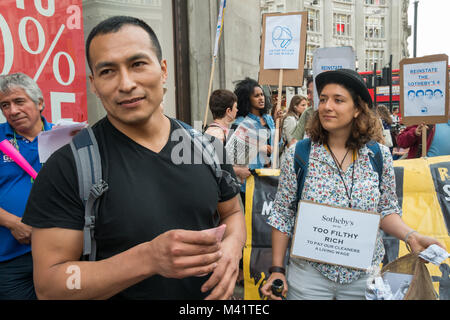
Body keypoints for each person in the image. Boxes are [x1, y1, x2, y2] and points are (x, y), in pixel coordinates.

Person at [21, 16, 246, 300]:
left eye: (138, 64)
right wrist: (148, 259)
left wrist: (233, 246)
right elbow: (50, 286)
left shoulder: (205, 147)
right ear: (93, 83)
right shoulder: (69, 166)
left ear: (163, 70)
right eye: (108, 71)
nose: (126, 84)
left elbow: (233, 212)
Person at [260, 68, 445, 300]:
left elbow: (386, 210)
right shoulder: (299, 154)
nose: (327, 106)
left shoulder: (378, 155)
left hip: (363, 278)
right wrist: (277, 270)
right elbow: (283, 215)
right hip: (309, 278)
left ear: (357, 109)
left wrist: (411, 236)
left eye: (338, 100)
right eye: (324, 99)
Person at [0, 72, 54, 300]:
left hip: (59, 252)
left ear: (39, 103)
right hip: (10, 257)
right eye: (5, 105)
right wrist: (13, 223)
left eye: (19, 101)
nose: (12, 111)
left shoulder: (63, 137)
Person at [292, 77, 314, 141]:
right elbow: (295, 141)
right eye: (308, 92)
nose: (308, 97)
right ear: (295, 106)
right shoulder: (307, 113)